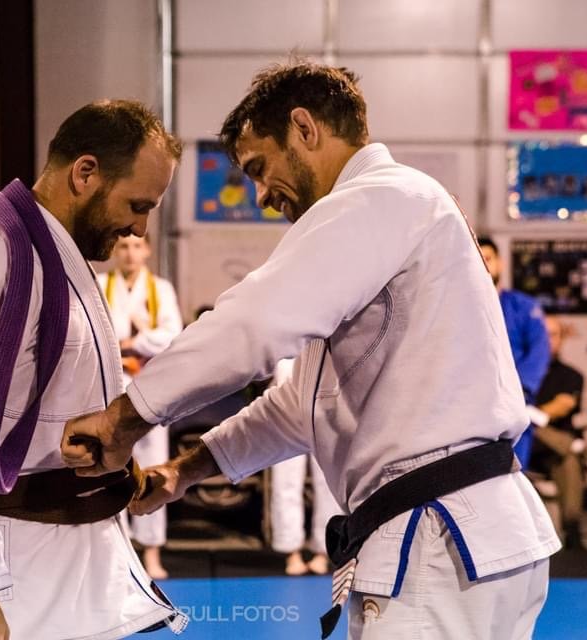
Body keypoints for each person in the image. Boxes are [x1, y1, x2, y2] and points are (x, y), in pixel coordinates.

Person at [61, 61, 559, 639]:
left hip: (438, 537)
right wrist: (185, 470)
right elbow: (302, 404)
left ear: (304, 128)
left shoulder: (381, 197)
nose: (261, 196)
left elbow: (252, 322)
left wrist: (124, 418)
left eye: (260, 167)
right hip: (466, 533)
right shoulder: (397, 212)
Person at [0, 100, 186, 640]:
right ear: (85, 173)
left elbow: (44, 407)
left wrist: (112, 462)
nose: (139, 228)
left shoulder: (56, 261)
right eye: (137, 205)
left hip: (73, 567)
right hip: (13, 574)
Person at [97, 233, 182, 579]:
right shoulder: (100, 284)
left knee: (152, 464)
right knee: (111, 466)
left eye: (136, 246)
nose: (130, 253)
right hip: (113, 386)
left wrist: (134, 342)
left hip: (151, 385)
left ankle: (152, 552)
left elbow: (173, 334)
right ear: (114, 251)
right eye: (123, 246)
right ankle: (115, 552)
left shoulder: (160, 289)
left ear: (146, 250)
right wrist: (124, 345)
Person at [527, 317, 587, 548]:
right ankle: (581, 447)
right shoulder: (517, 372)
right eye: (543, 334)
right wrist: (533, 416)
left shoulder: (571, 376)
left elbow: (563, 406)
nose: (547, 340)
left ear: (562, 339)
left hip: (552, 452)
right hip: (523, 447)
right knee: (531, 428)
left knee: (568, 458)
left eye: (553, 335)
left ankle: (572, 528)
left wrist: (531, 413)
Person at [478, 237, 551, 466]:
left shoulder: (524, 307)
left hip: (515, 399)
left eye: (488, 258)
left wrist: (518, 389)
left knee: (513, 470)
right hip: (473, 402)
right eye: (477, 259)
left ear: (500, 263)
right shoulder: (458, 307)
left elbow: (539, 352)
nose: (483, 264)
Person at [268, 358, 341, 576]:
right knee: (285, 481)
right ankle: (291, 551)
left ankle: (323, 550)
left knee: (328, 481)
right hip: (288, 376)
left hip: (326, 385)